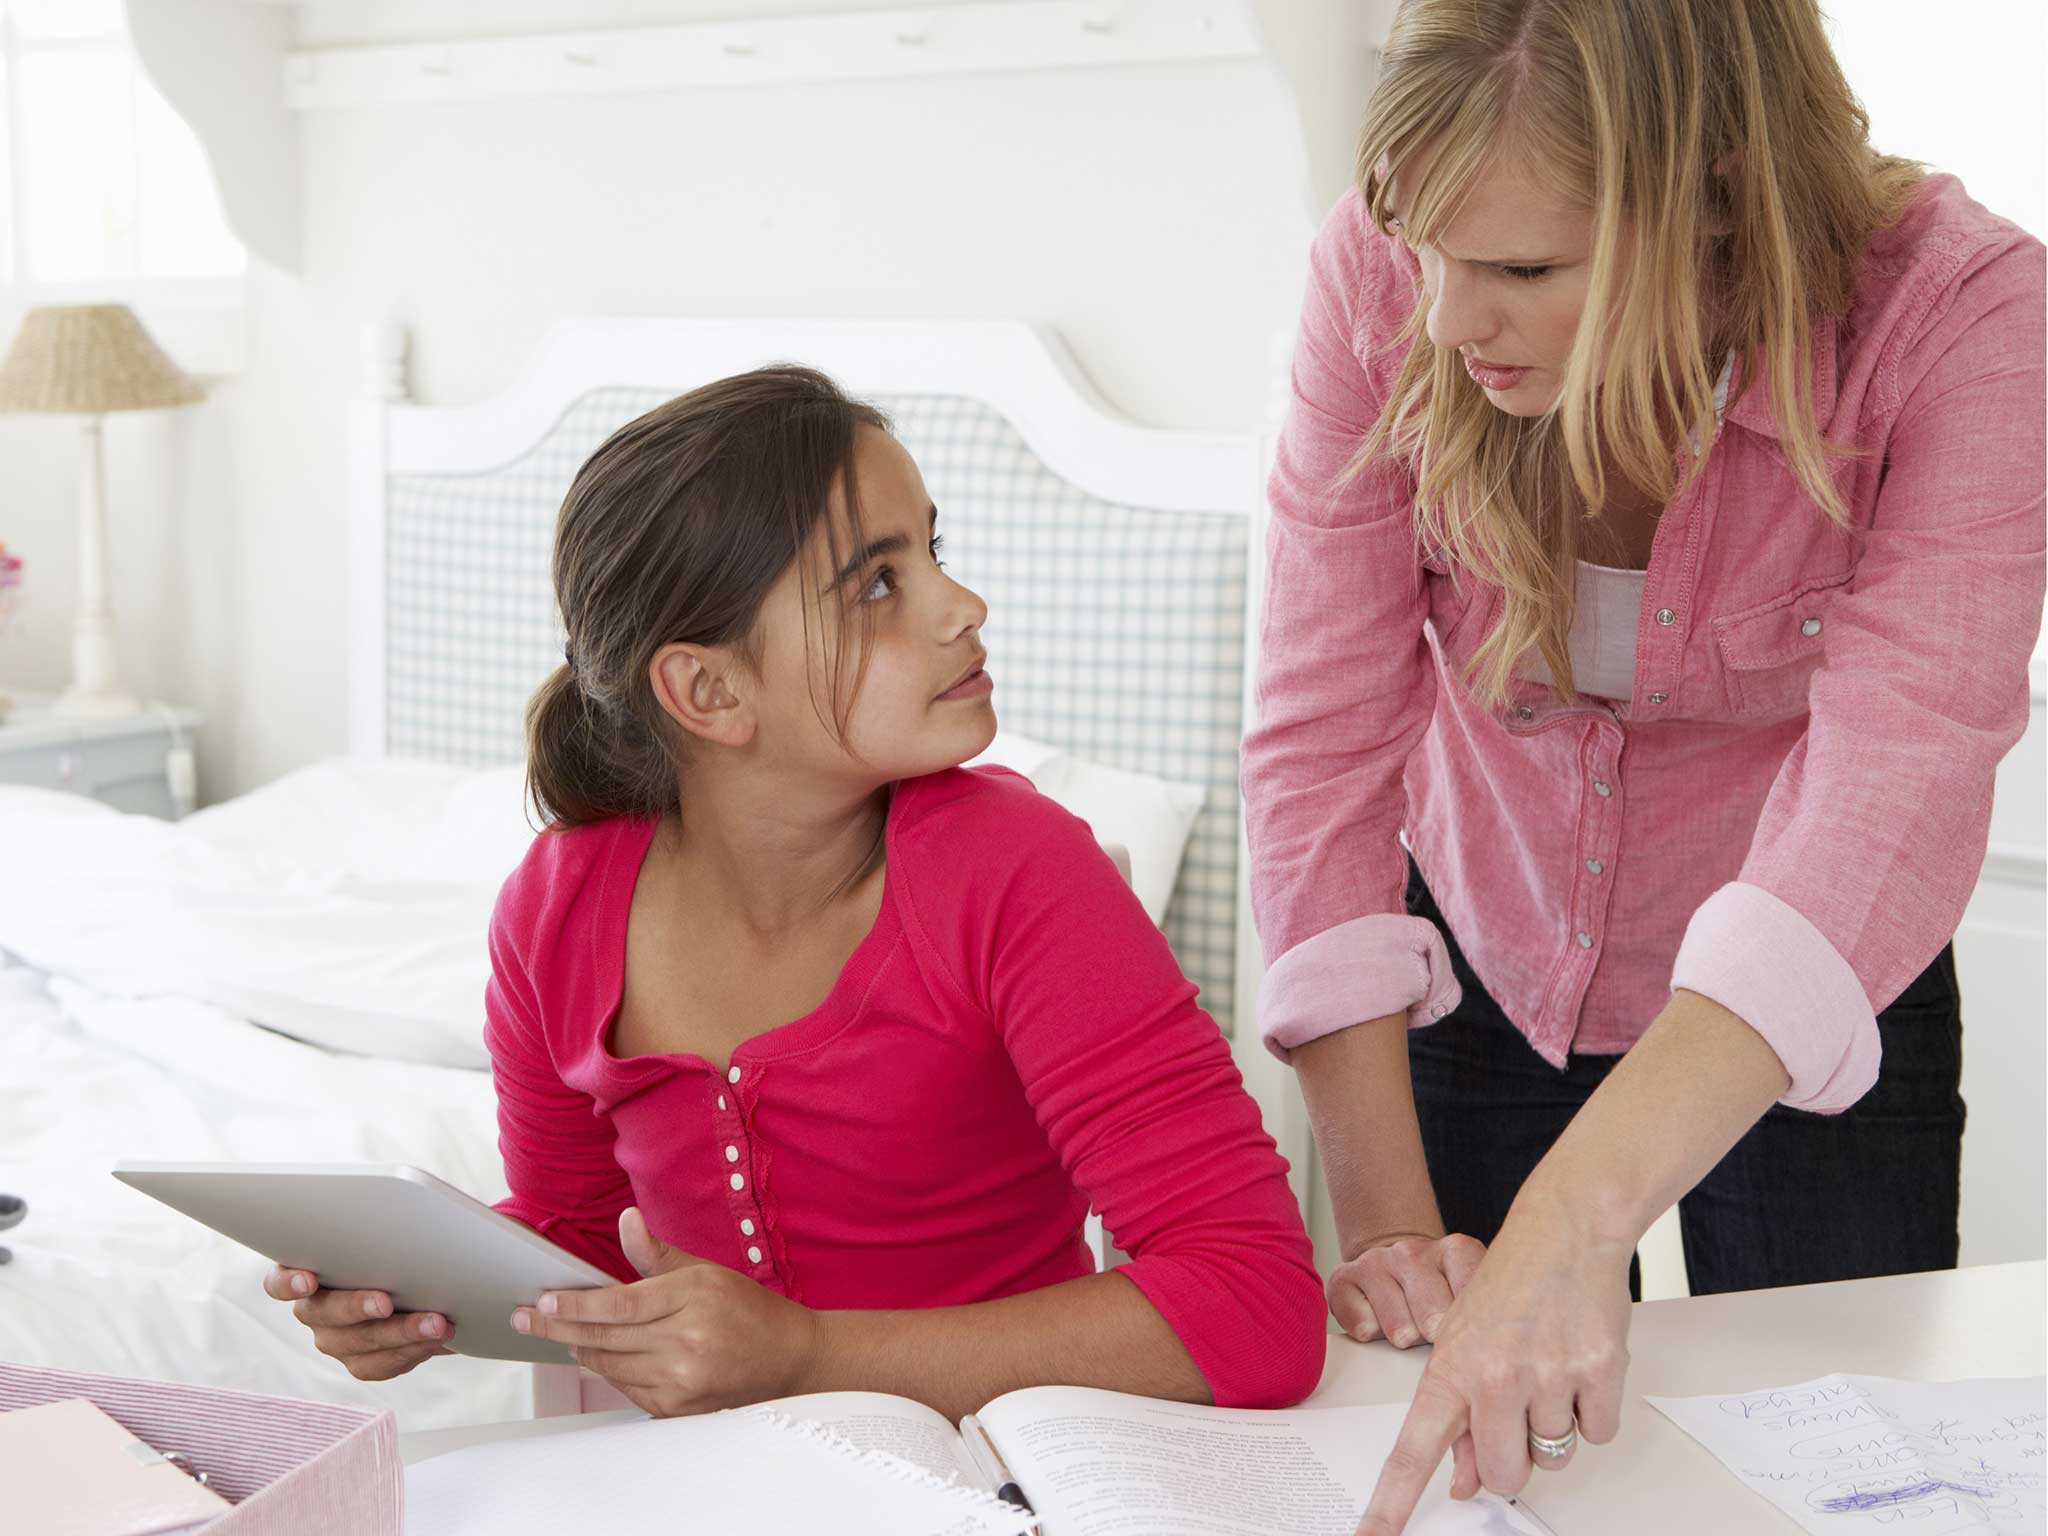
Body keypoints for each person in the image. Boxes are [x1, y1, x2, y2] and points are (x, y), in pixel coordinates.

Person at [1240, 0, 2045, 1529]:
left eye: (1526, 273)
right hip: (1478, 952)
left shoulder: (1964, 316)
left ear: (1717, 206)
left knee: (1838, 1468)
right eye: (1426, 254)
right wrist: (1403, 1252)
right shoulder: (1387, 267)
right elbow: (1321, 736)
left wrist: (1570, 1222)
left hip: (1815, 981)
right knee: (1473, 1458)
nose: (1442, 322)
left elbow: (1903, 770)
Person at [264, 364, 1324, 1421]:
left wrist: (805, 1354)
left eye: (932, 554)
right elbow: (583, 1243)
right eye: (876, 584)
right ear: (707, 690)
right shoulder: (556, 910)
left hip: (995, 1473)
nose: (964, 607)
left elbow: (1257, 1305)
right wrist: (429, 1294)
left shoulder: (1016, 872)